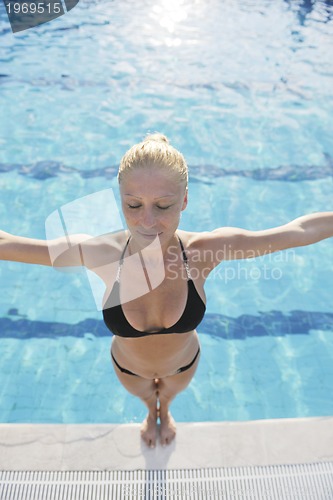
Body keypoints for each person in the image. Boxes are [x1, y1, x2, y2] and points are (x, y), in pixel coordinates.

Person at [1, 133, 333, 449]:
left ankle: (165, 411)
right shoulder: (101, 255)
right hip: (129, 369)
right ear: (120, 200)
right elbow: (10, 244)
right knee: (148, 398)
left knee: (168, 397)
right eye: (133, 205)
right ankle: (151, 414)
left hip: (182, 365)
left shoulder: (203, 253)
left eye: (162, 206)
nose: (147, 221)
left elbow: (299, 231)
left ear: (185, 199)